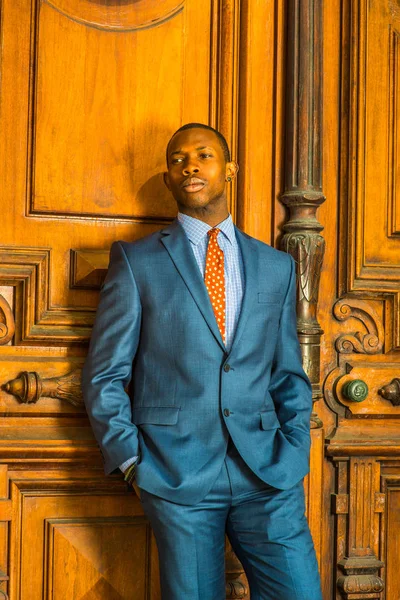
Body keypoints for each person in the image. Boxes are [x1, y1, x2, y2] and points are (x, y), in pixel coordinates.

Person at [82, 123, 323, 600]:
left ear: (229, 170)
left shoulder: (275, 266)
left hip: (269, 475)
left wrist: (295, 446)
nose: (189, 164)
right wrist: (132, 462)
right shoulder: (137, 262)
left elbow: (288, 374)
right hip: (175, 474)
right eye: (177, 159)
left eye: (204, 155)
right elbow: (105, 374)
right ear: (169, 179)